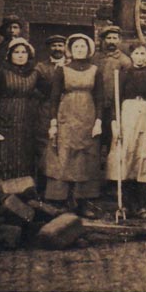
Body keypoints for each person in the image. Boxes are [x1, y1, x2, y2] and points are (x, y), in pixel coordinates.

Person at [45, 34, 103, 218]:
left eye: (83, 47)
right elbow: (53, 99)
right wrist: (53, 122)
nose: (80, 50)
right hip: (67, 116)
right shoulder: (62, 70)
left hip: (88, 115)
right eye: (76, 46)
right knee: (65, 155)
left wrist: (98, 122)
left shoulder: (95, 70)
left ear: (88, 50)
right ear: (71, 49)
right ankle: (63, 201)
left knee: (86, 157)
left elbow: (100, 99)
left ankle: (83, 202)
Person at [106, 44, 146, 219]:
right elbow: (114, 103)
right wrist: (115, 125)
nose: (140, 57)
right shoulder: (123, 75)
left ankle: (142, 206)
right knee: (126, 159)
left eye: (143, 53)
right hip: (127, 117)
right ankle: (124, 205)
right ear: (131, 55)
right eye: (136, 53)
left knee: (144, 158)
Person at [0, 37, 41, 179]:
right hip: (5, 115)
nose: (20, 56)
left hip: (27, 117)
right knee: (4, 149)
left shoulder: (34, 74)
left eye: (24, 52)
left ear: (29, 55)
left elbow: (50, 91)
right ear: (9, 55)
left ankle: (23, 188)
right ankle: (2, 187)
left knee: (24, 149)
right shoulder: (1, 73)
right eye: (16, 52)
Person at [35, 35, 70, 190]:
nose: (57, 48)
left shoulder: (71, 65)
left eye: (60, 45)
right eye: (54, 45)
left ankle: (64, 186)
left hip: (67, 109)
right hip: (47, 108)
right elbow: (34, 87)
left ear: (65, 48)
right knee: (45, 143)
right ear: (49, 48)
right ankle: (45, 185)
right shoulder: (41, 67)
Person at [94, 25, 131, 153]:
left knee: (112, 135)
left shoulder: (125, 61)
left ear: (119, 40)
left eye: (114, 38)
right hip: (96, 103)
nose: (111, 41)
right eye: (108, 38)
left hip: (115, 105)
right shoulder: (95, 59)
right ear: (103, 40)